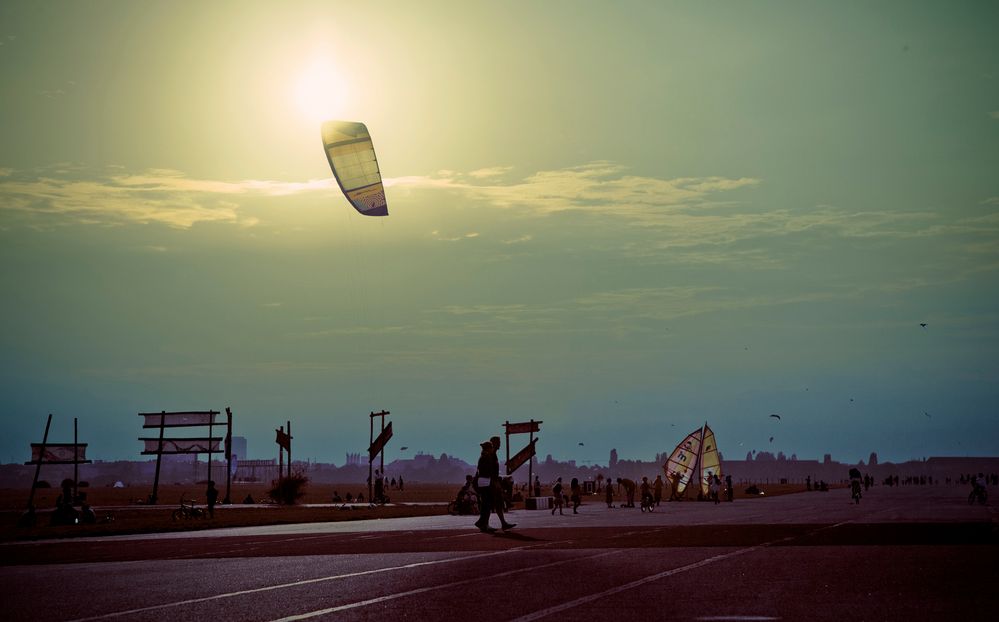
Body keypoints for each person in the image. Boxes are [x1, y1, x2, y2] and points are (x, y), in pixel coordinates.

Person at [489, 436, 516, 530]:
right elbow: (489, 471)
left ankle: (503, 522)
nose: (500, 443)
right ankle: (484, 523)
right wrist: (495, 481)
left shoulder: (494, 454)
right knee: (489, 504)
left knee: (498, 503)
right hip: (491, 482)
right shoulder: (491, 454)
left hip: (494, 480)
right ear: (493, 443)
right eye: (498, 442)